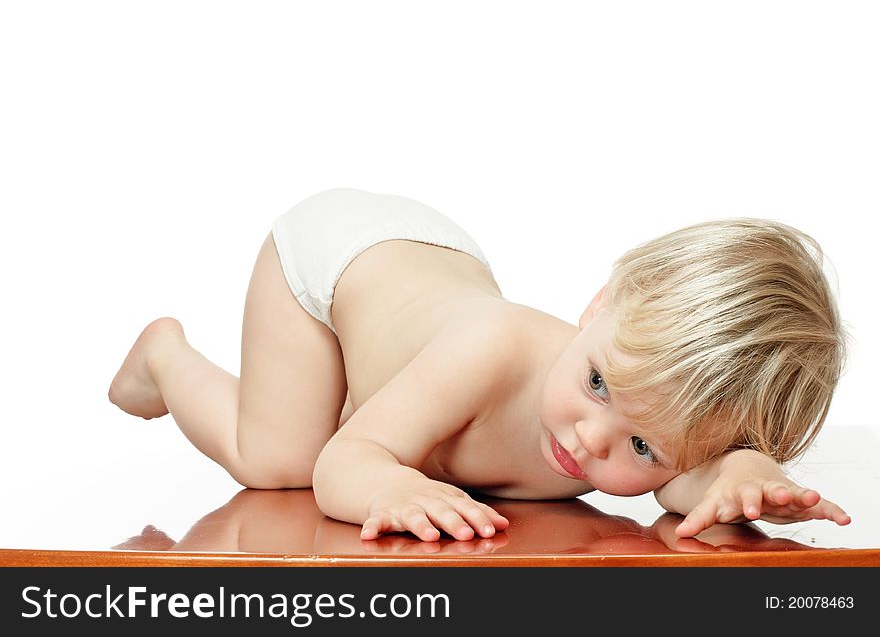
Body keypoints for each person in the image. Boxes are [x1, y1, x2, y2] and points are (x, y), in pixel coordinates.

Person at [108, 188, 852, 542]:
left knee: (389, 410)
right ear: (597, 306)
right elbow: (346, 462)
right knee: (283, 456)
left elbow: (692, 484)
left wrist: (744, 477)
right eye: (596, 383)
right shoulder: (491, 352)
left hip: (427, 278)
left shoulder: (649, 416)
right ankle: (165, 355)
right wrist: (392, 484)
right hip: (336, 258)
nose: (591, 440)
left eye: (643, 448)